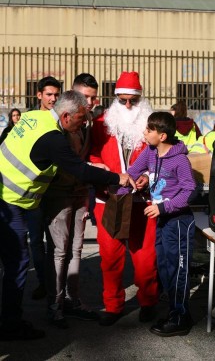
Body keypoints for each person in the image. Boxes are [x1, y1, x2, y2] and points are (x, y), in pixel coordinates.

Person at [0, 90, 134, 341]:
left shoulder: (35, 117)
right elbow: (79, 170)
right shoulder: (54, 138)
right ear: (65, 116)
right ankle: (10, 324)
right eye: (81, 118)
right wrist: (117, 177)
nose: (85, 122)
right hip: (9, 200)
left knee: (13, 262)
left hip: (6, 193)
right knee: (17, 263)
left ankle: (10, 318)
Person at [90, 71, 159, 326]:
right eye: (123, 100)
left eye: (133, 100)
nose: (128, 106)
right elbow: (93, 156)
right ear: (115, 99)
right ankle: (113, 305)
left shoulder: (153, 125)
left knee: (144, 257)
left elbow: (162, 158)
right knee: (110, 257)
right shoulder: (100, 124)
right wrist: (105, 173)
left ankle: (149, 301)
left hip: (142, 201)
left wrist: (149, 177)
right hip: (108, 200)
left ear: (141, 99)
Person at [120, 111, 197, 336]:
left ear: (162, 136)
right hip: (163, 220)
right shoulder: (151, 151)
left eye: (149, 129)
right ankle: (177, 312)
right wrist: (121, 190)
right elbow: (132, 172)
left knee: (178, 270)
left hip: (179, 221)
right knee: (164, 268)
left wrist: (163, 207)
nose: (145, 132)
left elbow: (189, 190)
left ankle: (180, 318)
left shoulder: (179, 159)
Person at [41, 73, 102, 328]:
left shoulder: (87, 122)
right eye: (84, 97)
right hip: (58, 193)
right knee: (59, 251)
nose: (89, 102)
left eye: (92, 97)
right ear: (73, 96)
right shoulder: (57, 123)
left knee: (76, 248)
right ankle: (55, 307)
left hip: (79, 192)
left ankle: (73, 300)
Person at [27, 76, 62, 300]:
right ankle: (43, 282)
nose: (52, 98)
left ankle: (54, 285)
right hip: (31, 192)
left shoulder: (61, 120)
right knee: (36, 241)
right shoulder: (29, 118)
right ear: (39, 95)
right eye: (48, 94)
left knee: (55, 243)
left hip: (54, 190)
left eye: (56, 95)